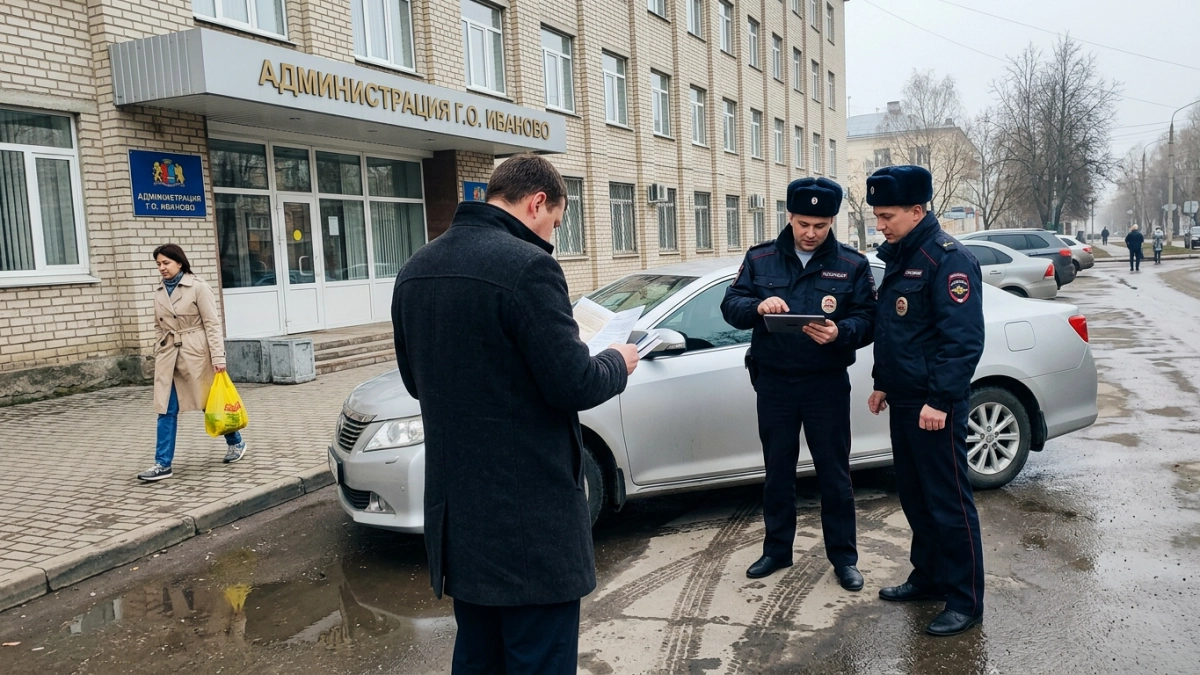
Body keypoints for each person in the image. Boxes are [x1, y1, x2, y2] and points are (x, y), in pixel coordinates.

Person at [391, 155, 639, 673]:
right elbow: (576, 382)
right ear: (537, 202)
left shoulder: (416, 267)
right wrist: (619, 359)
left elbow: (418, 382)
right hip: (529, 527)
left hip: (461, 522)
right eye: (555, 223)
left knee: (480, 659)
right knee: (537, 659)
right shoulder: (530, 267)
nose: (552, 236)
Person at [721, 178, 877, 590]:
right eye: (803, 223)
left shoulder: (851, 264)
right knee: (778, 472)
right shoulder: (761, 259)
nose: (810, 233)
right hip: (774, 383)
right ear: (789, 217)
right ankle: (776, 551)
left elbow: (870, 319)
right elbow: (730, 306)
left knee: (834, 474)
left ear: (832, 222)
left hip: (825, 385)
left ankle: (844, 558)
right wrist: (758, 305)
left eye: (821, 225)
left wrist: (841, 333)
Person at [865, 166, 986, 637]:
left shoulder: (948, 260)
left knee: (950, 505)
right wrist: (882, 382)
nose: (881, 225)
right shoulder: (901, 255)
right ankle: (930, 577)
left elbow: (962, 341)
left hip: (935, 408)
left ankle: (965, 598)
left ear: (918, 211)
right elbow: (897, 332)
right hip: (904, 401)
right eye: (877, 216)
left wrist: (940, 400)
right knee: (917, 500)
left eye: (888, 215)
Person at [138, 244, 246, 481]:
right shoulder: (159, 291)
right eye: (158, 264)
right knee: (166, 409)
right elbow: (159, 325)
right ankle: (162, 464)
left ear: (179, 262)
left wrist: (218, 358)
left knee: (210, 404)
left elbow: (212, 324)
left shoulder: (198, 287)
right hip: (169, 356)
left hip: (196, 353)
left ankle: (236, 442)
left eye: (166, 262)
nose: (162, 268)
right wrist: (160, 345)